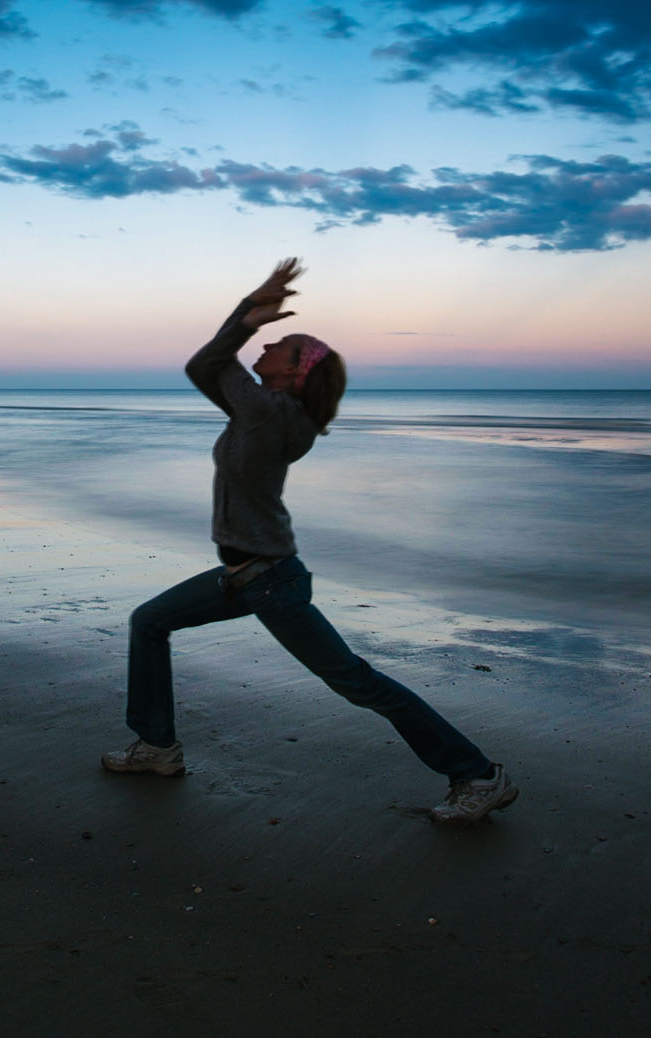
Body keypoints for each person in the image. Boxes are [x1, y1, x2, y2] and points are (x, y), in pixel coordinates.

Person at [101, 258, 516, 823]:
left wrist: (248, 315)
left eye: (280, 343)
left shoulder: (273, 414)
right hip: (242, 577)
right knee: (149, 621)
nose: (268, 345)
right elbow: (208, 370)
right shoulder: (262, 412)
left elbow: (206, 363)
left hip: (270, 582)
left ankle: (477, 774)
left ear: (297, 372)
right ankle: (156, 746)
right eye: (269, 339)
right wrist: (249, 312)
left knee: (356, 682)